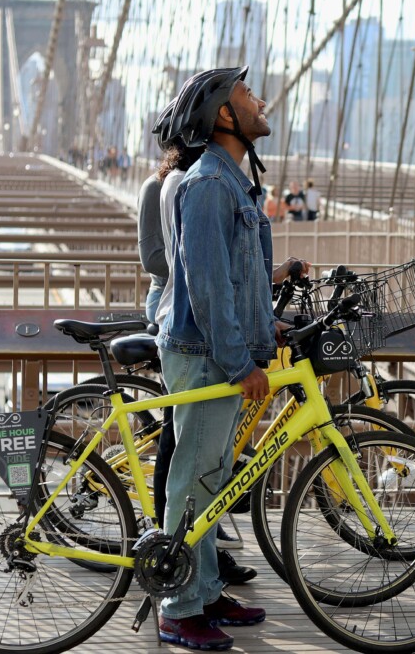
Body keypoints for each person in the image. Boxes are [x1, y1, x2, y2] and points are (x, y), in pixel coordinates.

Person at [151, 65, 306, 650]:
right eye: (247, 94)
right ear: (223, 115)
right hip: (202, 352)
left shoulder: (231, 183)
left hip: (214, 349)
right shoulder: (210, 186)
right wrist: (242, 363)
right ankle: (179, 607)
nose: (261, 100)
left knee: (212, 480)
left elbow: (235, 281)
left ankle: (206, 588)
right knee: (193, 483)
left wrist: (269, 324)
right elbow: (208, 287)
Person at [138, 171, 259, 589]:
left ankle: (203, 572)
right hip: (178, 313)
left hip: (201, 322)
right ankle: (177, 568)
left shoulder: (215, 180)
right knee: (183, 455)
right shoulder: (180, 184)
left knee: (204, 469)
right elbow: (163, 261)